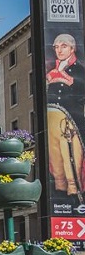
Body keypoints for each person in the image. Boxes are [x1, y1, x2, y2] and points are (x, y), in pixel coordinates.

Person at [46, 33, 85, 199]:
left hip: (70, 120)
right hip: (51, 119)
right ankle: (59, 191)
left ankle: (74, 192)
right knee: (55, 160)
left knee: (71, 157)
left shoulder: (78, 70)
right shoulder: (51, 69)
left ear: (72, 48)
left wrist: (64, 78)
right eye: (56, 47)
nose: (59, 50)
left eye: (63, 46)